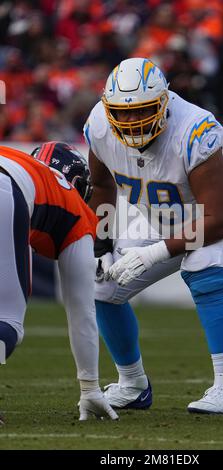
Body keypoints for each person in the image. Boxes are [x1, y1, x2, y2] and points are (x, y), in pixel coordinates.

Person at [84, 58, 223, 414]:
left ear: (164, 102)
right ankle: (132, 383)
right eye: (121, 114)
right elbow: (101, 183)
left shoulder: (194, 130)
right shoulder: (98, 126)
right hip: (166, 216)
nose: (130, 122)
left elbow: (218, 220)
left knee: (203, 261)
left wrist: (155, 253)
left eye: (141, 111)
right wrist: (101, 243)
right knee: (102, 284)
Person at [0, 142, 118, 422]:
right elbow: (82, 311)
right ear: (77, 183)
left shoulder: (24, 166)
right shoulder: (74, 206)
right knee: (8, 322)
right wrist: (90, 387)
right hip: (5, 189)